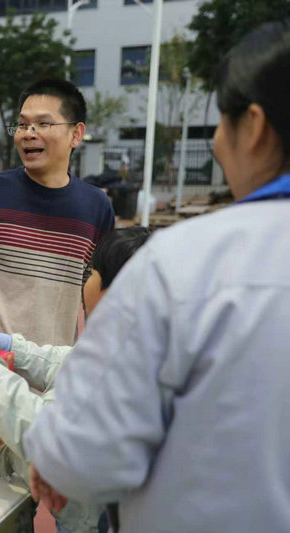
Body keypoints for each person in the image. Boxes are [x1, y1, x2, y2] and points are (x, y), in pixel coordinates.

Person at [23, 20, 290, 532]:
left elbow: (88, 454)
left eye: (221, 122)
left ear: (254, 127)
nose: (217, 141)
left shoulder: (182, 263)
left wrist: (55, 458)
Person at [0, 226, 151, 533]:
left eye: (92, 273)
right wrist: (8, 345)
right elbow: (67, 363)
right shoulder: (135, 346)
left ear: (113, 293)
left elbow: (47, 434)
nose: (86, 280)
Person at [0, 79, 115, 347]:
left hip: (46, 367)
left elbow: (96, 295)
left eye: (43, 123)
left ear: (76, 134)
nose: (28, 133)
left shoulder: (97, 207)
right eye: (22, 124)